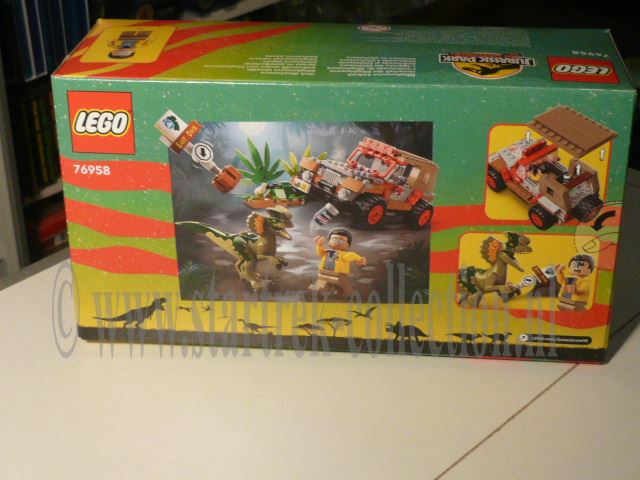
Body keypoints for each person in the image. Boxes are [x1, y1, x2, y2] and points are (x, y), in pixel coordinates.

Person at [309, 228, 366, 298]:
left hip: (339, 275)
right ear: (329, 240)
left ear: (348, 244)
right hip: (324, 273)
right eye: (334, 239)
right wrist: (319, 245)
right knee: (321, 285)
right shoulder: (326, 251)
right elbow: (320, 253)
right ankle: (318, 292)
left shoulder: (344, 254)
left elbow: (352, 256)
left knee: (343, 287)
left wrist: (360, 259)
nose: (337, 242)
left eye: (340, 240)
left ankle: (345, 294)